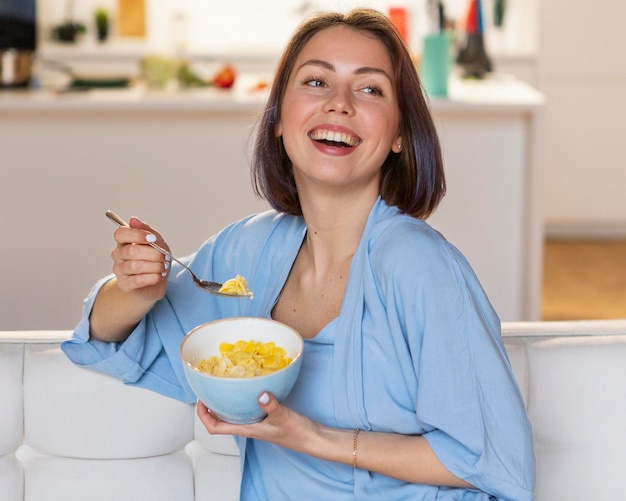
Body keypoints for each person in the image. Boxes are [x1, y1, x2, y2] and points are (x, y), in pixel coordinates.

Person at [62, 8, 535, 500]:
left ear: (399, 135)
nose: (339, 104)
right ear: (278, 123)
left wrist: (311, 437)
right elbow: (103, 338)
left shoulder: (419, 266)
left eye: (370, 88)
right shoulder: (248, 251)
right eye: (316, 82)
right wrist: (139, 289)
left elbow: (498, 463)